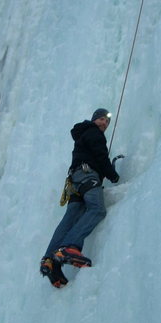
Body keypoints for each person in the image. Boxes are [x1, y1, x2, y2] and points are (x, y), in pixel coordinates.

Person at [40, 108, 120, 287]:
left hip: (76, 181)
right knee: (97, 209)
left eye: (106, 122)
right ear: (93, 120)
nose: (104, 123)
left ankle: (50, 260)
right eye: (101, 119)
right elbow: (101, 156)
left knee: (70, 218)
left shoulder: (83, 135)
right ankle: (70, 246)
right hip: (87, 176)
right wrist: (113, 175)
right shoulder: (93, 133)